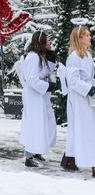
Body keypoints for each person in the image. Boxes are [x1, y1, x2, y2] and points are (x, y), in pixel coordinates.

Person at [64, 25, 95, 178]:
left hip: (86, 98)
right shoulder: (74, 57)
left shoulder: (86, 55)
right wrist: (89, 89)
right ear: (79, 38)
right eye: (87, 35)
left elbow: (88, 78)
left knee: (82, 129)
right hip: (79, 99)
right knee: (88, 130)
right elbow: (73, 81)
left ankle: (69, 158)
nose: (90, 37)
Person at [20, 31, 57, 167]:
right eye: (47, 41)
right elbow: (31, 79)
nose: (50, 43)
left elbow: (45, 71)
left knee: (42, 124)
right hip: (33, 96)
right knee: (34, 125)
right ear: (41, 42)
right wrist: (47, 86)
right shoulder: (32, 57)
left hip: (38, 95)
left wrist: (51, 55)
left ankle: (35, 151)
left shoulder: (39, 56)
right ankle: (29, 156)